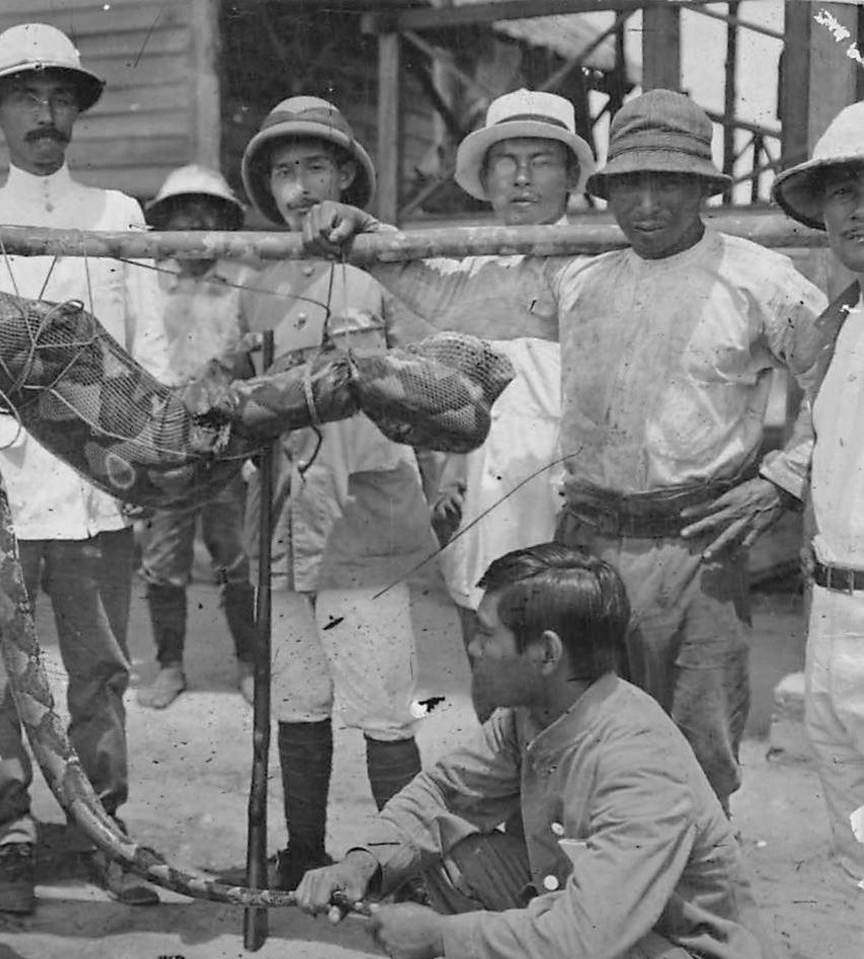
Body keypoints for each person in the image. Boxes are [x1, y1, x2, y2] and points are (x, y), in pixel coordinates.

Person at [302, 89, 829, 812]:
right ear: (605, 190)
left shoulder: (756, 277)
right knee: (580, 733)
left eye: (667, 182)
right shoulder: (576, 272)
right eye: (629, 185)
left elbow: (838, 374)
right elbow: (451, 296)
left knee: (697, 744)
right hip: (588, 542)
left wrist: (782, 480)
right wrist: (364, 232)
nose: (646, 204)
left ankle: (690, 911)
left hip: (696, 550)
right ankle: (589, 904)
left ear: (703, 189)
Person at [295, 543, 793, 959]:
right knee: (461, 862)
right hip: (628, 950)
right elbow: (443, 795)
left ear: (548, 653)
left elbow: (582, 945)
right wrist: (362, 864)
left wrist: (442, 936)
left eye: (488, 635)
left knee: (597, 957)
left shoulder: (640, 762)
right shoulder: (536, 716)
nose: (472, 647)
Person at [0, 22, 169, 914]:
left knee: (99, 671)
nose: (46, 114)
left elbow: (152, 351)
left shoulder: (117, 217)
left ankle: (104, 828)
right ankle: (11, 834)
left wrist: (145, 464)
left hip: (96, 487)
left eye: (61, 97)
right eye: (26, 97)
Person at [235, 96, 438, 889]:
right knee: (297, 695)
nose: (299, 185)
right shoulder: (259, 282)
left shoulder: (386, 264)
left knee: (383, 702)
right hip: (282, 517)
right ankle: (303, 848)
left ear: (345, 172)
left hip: (365, 514)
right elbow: (233, 388)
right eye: (283, 170)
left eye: (314, 165)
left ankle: (407, 863)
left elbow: (438, 379)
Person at [426, 90, 590, 702]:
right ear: (487, 177)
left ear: (571, 175)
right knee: (488, 661)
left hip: (559, 496)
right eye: (507, 161)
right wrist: (444, 471)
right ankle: (503, 796)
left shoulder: (594, 262)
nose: (522, 178)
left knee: (563, 666)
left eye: (542, 160)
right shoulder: (465, 266)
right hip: (477, 496)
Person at [773, 101, 864, 889]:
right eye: (841, 190)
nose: (857, 208)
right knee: (855, 841)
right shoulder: (836, 323)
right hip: (833, 612)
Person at [134, 164, 259, 710]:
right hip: (167, 439)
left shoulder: (240, 281)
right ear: (165, 221)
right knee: (163, 560)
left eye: (208, 212)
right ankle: (169, 665)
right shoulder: (148, 280)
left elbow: (254, 352)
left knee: (236, 557)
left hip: (227, 436)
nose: (197, 223)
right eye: (185, 212)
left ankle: (250, 663)